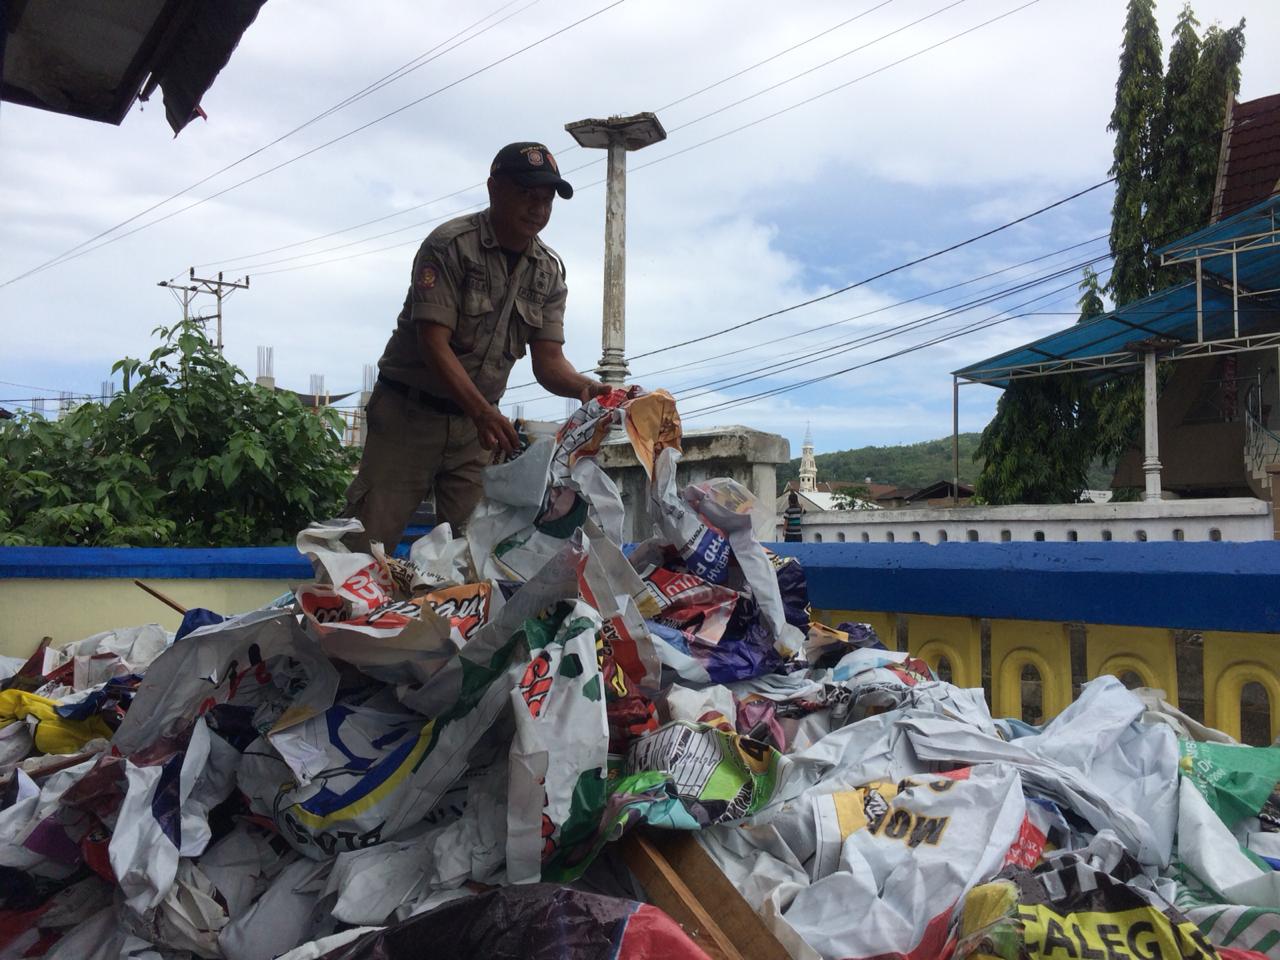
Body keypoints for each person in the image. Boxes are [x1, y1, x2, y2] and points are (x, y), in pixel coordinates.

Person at [344, 142, 610, 551]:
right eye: (527, 194)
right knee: (366, 551)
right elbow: (433, 343)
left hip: (475, 435)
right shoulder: (450, 246)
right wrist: (484, 412)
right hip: (408, 418)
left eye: (546, 199)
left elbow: (549, 361)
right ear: (493, 189)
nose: (538, 208)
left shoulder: (548, 272)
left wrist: (584, 389)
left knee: (478, 555)